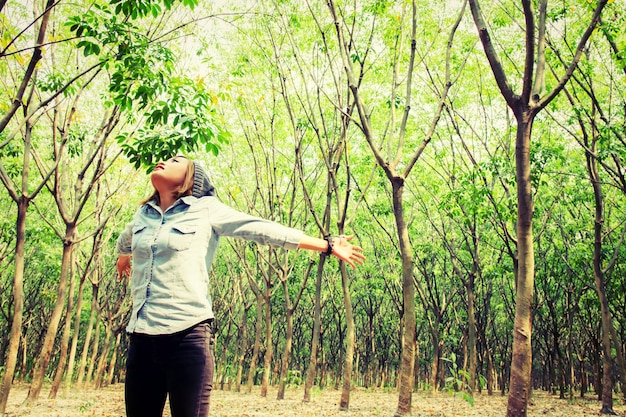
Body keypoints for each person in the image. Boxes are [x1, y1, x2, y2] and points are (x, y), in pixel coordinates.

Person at [115, 155, 365, 417]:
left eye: (176, 160)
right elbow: (126, 241)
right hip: (141, 339)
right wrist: (124, 259)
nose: (165, 162)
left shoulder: (205, 209)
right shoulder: (143, 214)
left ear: (191, 178)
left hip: (186, 336)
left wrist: (326, 245)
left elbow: (261, 229)